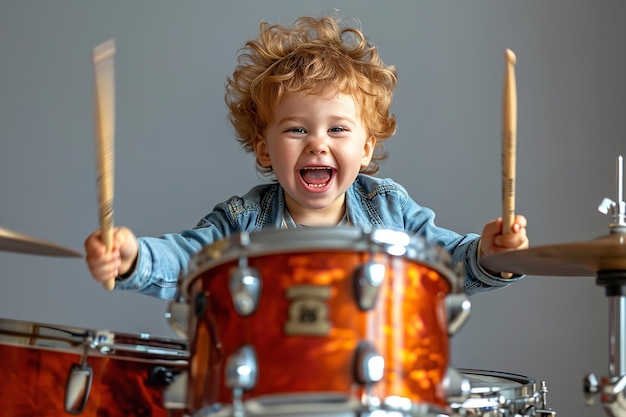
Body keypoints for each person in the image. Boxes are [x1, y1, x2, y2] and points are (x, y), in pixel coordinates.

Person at [84, 15, 528, 299]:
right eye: (297, 129)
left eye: (337, 129)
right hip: (272, 388)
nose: (318, 143)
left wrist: (491, 254)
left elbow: (448, 264)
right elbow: (189, 262)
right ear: (263, 147)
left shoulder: (389, 209)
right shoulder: (243, 221)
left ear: (367, 147)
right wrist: (132, 257)